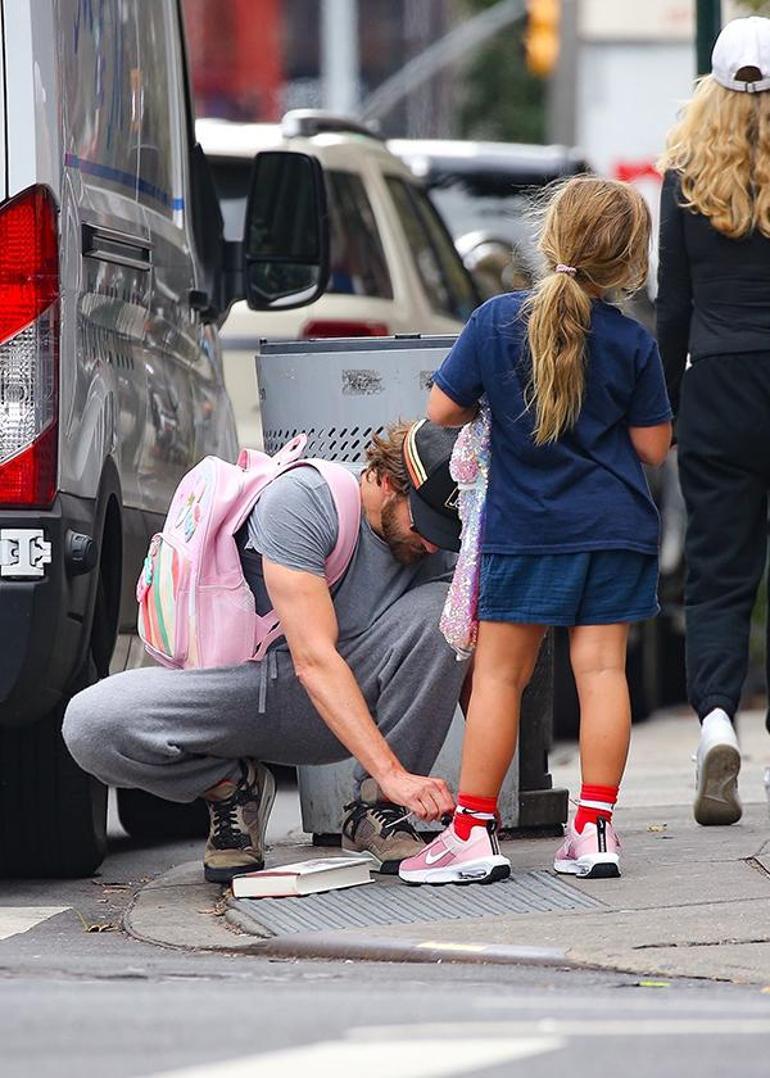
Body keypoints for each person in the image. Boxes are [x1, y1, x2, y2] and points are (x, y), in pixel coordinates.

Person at [398, 177, 672, 886]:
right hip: (615, 529)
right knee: (604, 673)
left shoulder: (496, 321)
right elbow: (651, 447)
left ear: (550, 237)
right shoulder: (632, 342)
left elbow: (442, 409)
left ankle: (472, 833)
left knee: (499, 676)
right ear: (629, 264)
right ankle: (594, 830)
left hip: (529, 531)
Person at [63, 421, 467, 882]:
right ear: (387, 481)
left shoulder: (439, 542)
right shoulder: (305, 500)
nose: (434, 542)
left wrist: (478, 808)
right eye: (424, 523)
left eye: (445, 530)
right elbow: (313, 659)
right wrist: (395, 770)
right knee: (89, 723)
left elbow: (477, 672)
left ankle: (378, 810)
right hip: (240, 690)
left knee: (448, 611)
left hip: (338, 705)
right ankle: (231, 790)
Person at [657, 16, 770, 826]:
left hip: (718, 387)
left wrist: (659, 411)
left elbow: (674, 309)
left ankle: (718, 724)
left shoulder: (686, 174)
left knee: (720, 576)